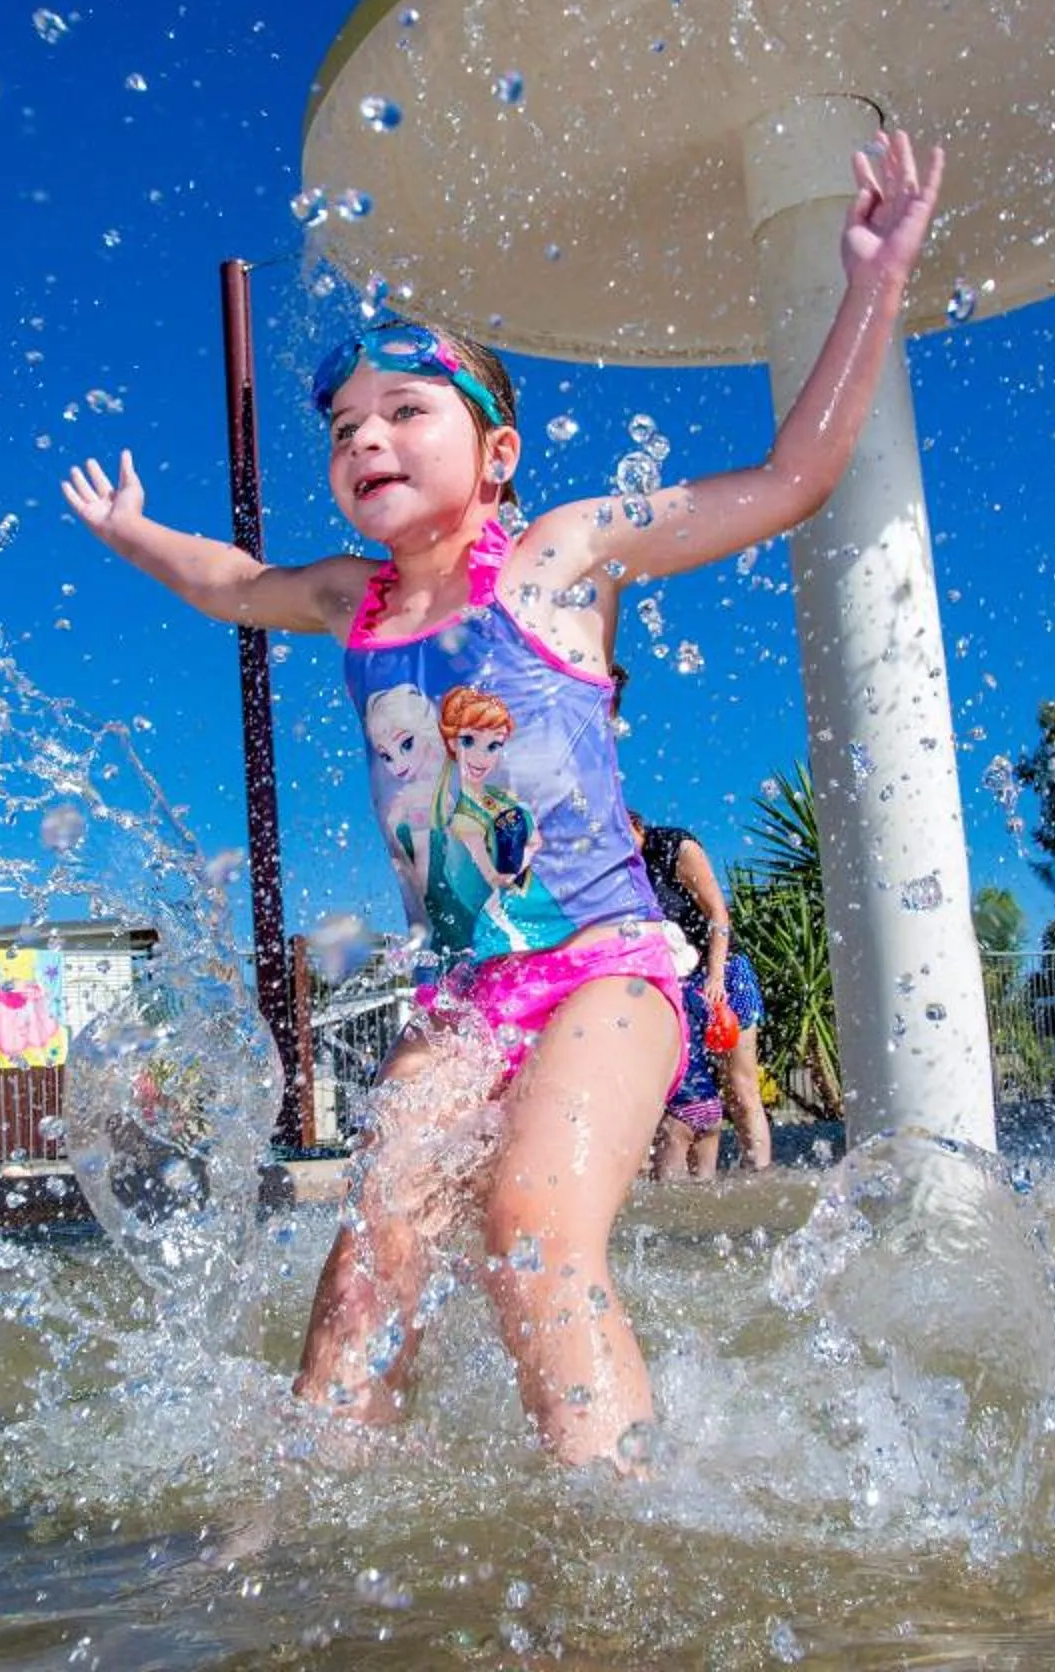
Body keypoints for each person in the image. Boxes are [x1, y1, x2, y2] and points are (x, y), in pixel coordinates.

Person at [61, 128, 944, 1471]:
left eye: (406, 411)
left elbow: (787, 482)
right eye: (346, 427)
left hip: (607, 969)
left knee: (532, 1227)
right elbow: (232, 584)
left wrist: (872, 283)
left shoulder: (557, 559)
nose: (367, 438)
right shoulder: (351, 601)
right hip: (468, 997)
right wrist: (136, 535)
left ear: (497, 450)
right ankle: (312, 1534)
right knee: (372, 1261)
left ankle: (619, 1541)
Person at [635, 819, 772, 1178]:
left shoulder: (674, 846)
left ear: (633, 825)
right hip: (684, 978)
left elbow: (717, 914)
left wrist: (716, 975)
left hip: (726, 971)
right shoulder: (630, 868)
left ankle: (759, 1174)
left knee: (741, 1087)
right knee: (691, 1093)